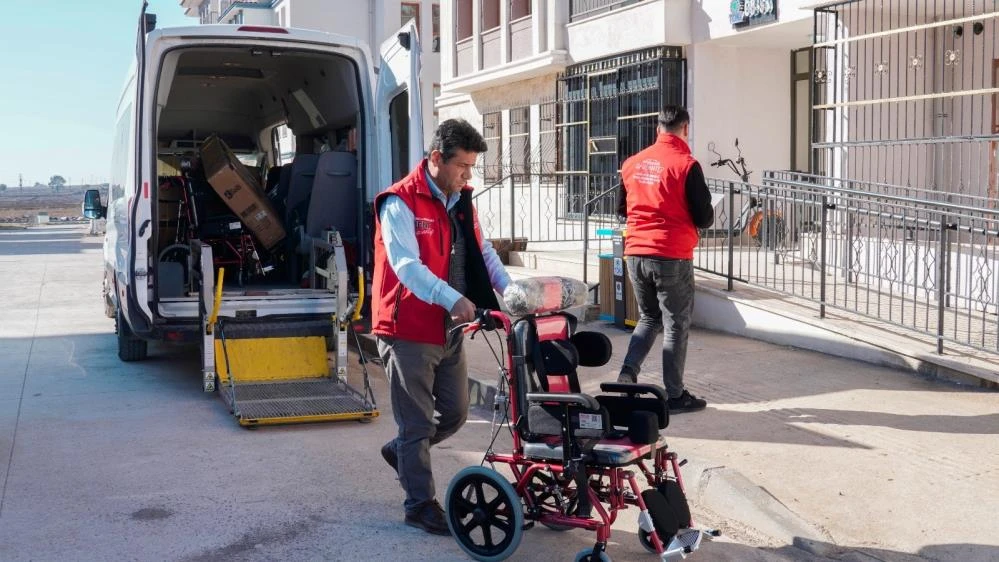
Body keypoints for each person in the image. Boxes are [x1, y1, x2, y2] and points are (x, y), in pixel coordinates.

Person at [372, 118, 511, 535]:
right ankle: (419, 503)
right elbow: (406, 267)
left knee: (455, 412)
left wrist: (516, 293)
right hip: (407, 328)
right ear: (436, 158)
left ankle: (403, 452)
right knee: (416, 424)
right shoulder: (399, 202)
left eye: (471, 168)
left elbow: (482, 251)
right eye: (462, 166)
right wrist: (453, 299)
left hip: (449, 327)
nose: (468, 175)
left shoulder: (461, 199)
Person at [615, 105, 714, 413]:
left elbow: (622, 208)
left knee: (648, 318)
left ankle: (627, 374)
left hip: (635, 252)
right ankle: (674, 395)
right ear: (686, 129)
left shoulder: (632, 163)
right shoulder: (686, 165)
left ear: (658, 129)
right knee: (675, 324)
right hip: (671, 254)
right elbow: (705, 216)